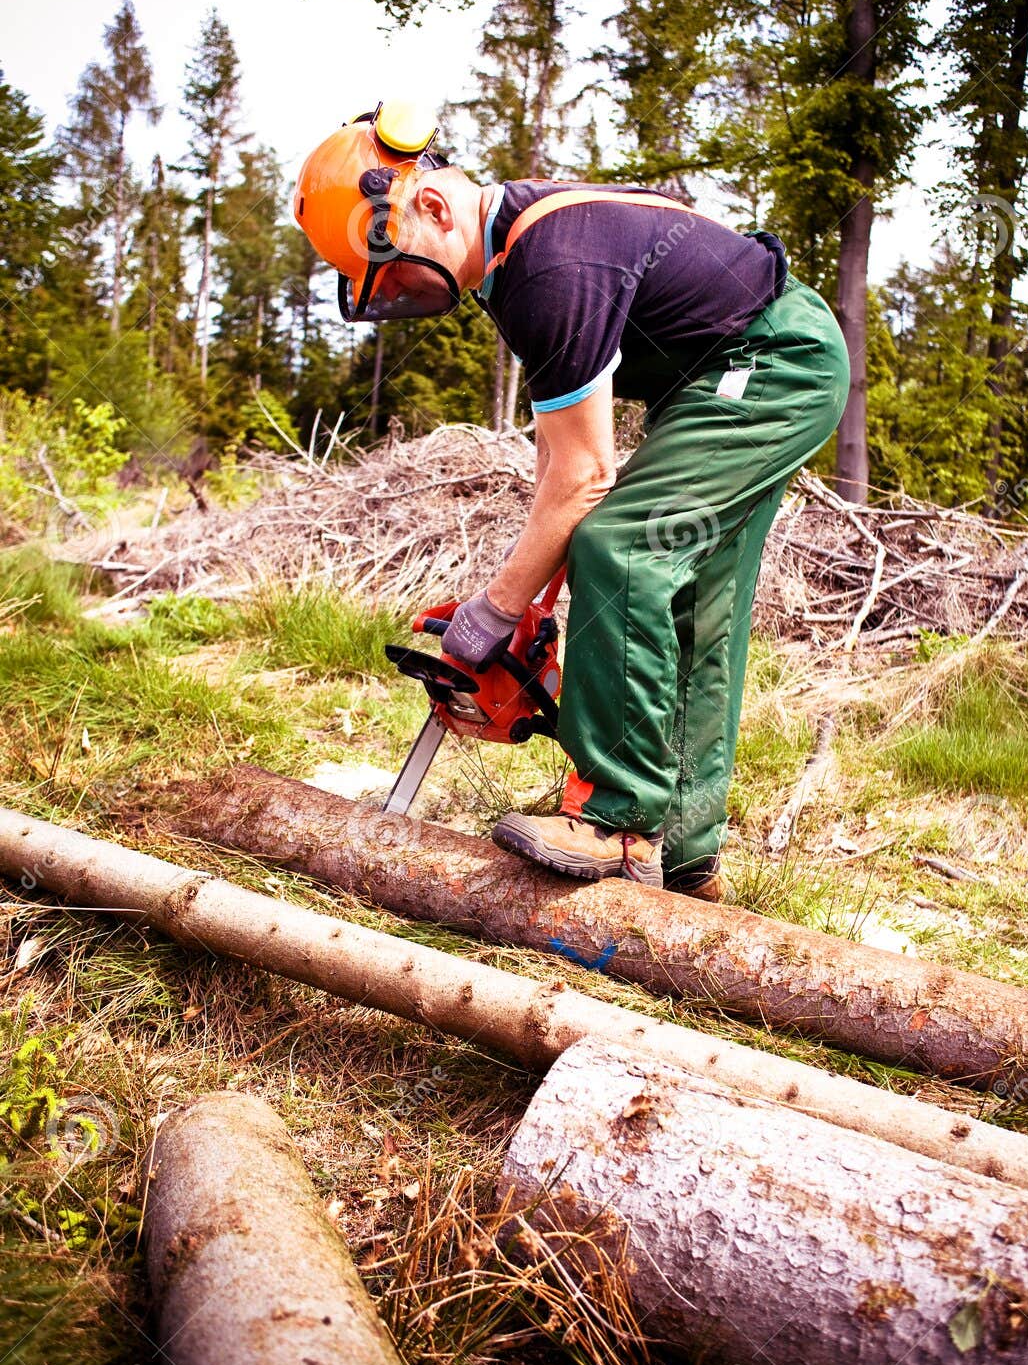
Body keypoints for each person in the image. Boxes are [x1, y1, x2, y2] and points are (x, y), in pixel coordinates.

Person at [294, 99, 850, 896]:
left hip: (769, 365)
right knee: (693, 602)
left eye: (399, 271)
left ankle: (618, 822)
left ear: (433, 206)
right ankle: (684, 856)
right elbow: (559, 459)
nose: (403, 292)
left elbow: (588, 477)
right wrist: (526, 600)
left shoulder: (549, 265)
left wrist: (494, 611)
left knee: (624, 549)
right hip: (739, 367)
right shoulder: (518, 256)